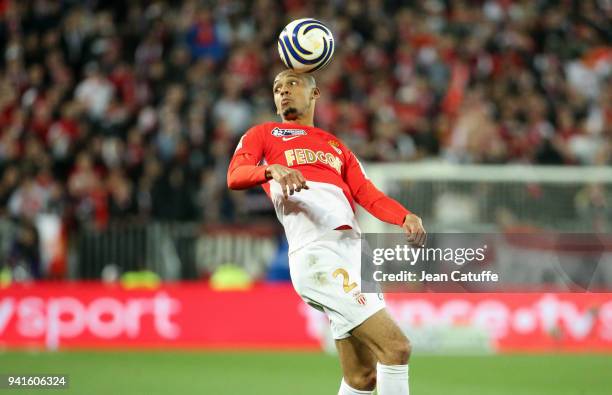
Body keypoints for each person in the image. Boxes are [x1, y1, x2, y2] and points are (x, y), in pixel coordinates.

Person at [227, 70, 426, 395]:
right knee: (396, 348)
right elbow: (235, 175)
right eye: (277, 88)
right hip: (319, 253)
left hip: (355, 258)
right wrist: (269, 169)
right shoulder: (263, 134)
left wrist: (404, 217)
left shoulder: (336, 146)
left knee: (362, 377)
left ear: (315, 94)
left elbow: (368, 194)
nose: (283, 92)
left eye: (292, 84)